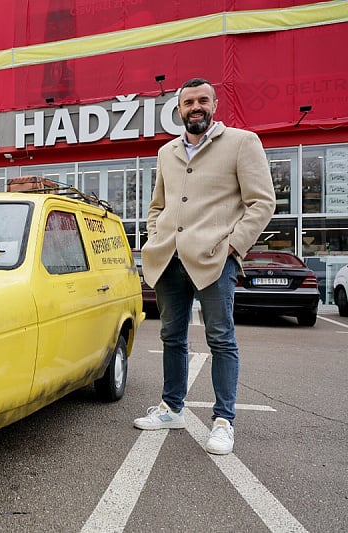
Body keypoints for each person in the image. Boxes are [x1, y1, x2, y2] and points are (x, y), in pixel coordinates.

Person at [133, 78, 275, 455]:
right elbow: (158, 205)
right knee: (171, 337)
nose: (195, 107)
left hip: (215, 259)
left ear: (214, 104)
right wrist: (154, 235)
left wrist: (233, 245)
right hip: (169, 257)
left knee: (221, 339)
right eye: (187, 102)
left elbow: (262, 203)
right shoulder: (167, 152)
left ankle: (224, 421)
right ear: (178, 110)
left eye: (201, 100)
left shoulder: (242, 143)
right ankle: (171, 407)